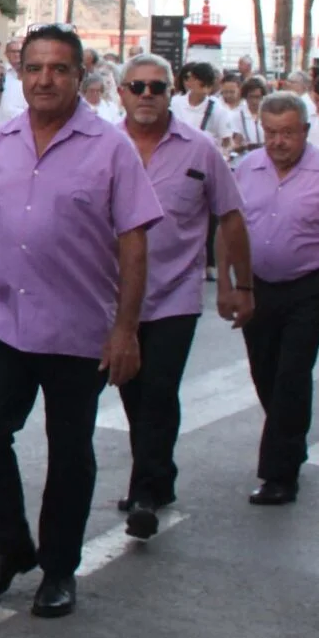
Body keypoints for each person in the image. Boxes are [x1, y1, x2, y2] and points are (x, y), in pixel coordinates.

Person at [0, 24, 160, 619]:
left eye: (59, 69)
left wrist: (125, 330)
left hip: (79, 329)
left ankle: (58, 569)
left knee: (69, 450)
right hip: (5, 323)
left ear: (80, 76)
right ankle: (10, 545)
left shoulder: (110, 148)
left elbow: (134, 245)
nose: (45, 79)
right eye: (34, 69)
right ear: (20, 75)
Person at [111, 53, 252, 536]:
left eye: (157, 86)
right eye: (137, 87)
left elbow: (230, 215)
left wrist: (237, 285)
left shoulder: (201, 148)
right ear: (121, 92)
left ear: (172, 92)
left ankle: (147, 492)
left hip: (175, 295)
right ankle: (157, 474)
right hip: (110, 299)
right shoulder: (101, 145)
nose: (146, 95)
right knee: (131, 391)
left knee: (158, 391)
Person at [235, 92, 319, 505]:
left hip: (310, 285)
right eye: (271, 133)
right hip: (259, 286)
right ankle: (290, 439)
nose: (278, 142)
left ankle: (280, 473)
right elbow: (230, 230)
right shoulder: (246, 168)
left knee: (292, 375)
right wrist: (232, 286)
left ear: (305, 132)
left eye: (288, 133)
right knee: (265, 373)